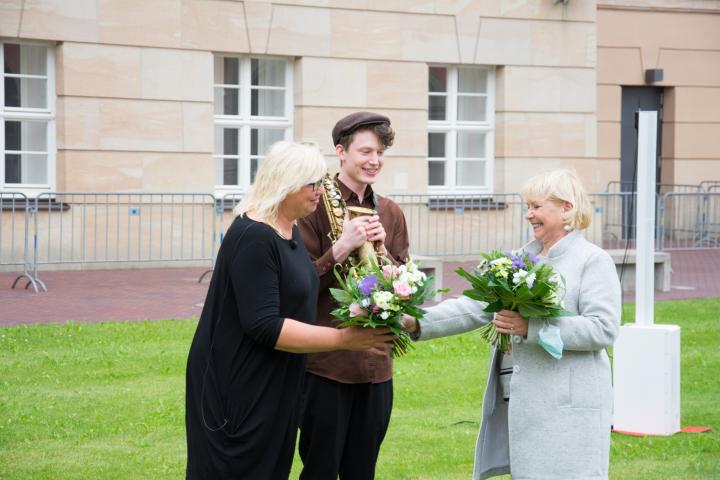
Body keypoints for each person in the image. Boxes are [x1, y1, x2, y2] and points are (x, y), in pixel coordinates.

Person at [185, 141, 395, 479]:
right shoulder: (253, 235)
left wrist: (362, 298)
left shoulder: (288, 228)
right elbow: (265, 325)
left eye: (320, 183)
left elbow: (300, 284)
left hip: (276, 381)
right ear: (285, 183)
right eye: (311, 184)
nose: (319, 192)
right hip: (239, 386)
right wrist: (344, 338)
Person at [404, 169, 621, 479]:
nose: (528, 215)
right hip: (522, 402)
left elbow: (603, 328)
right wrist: (417, 322)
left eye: (536, 206)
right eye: (527, 207)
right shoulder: (518, 259)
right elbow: (474, 305)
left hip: (568, 406)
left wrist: (530, 329)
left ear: (567, 208)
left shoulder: (592, 260)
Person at [297, 112, 410, 479]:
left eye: (379, 152)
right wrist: (341, 247)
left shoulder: (390, 212)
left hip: (377, 367)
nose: (374, 161)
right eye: (365, 151)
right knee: (320, 470)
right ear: (340, 151)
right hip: (325, 366)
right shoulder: (311, 206)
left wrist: (384, 254)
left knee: (363, 471)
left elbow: (406, 289)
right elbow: (296, 284)